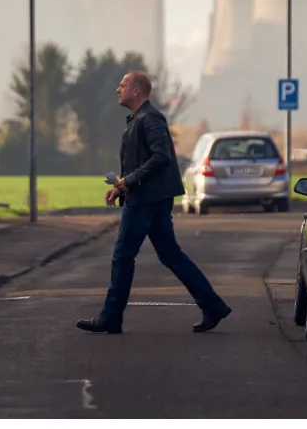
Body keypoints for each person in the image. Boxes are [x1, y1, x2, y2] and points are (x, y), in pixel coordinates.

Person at [76, 70, 232, 335]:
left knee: (123, 257)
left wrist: (130, 182)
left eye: (123, 85)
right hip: (149, 197)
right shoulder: (141, 119)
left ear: (136, 91)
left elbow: (161, 157)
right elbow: (146, 160)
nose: (118, 89)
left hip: (146, 201)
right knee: (170, 255)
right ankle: (212, 305)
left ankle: (111, 317)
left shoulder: (151, 118)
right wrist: (123, 184)